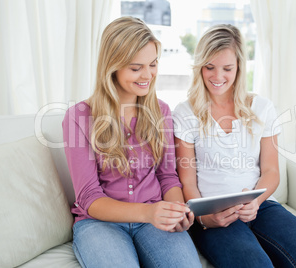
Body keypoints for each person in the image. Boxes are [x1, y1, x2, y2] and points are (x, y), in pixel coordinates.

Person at [173, 24, 296, 268]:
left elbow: (271, 171)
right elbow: (187, 181)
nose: (218, 77)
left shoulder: (261, 107)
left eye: (227, 68)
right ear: (199, 68)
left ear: (239, 67)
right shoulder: (185, 113)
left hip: (259, 208)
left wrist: (256, 203)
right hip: (214, 216)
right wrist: (206, 218)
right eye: (210, 67)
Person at [62, 17, 201, 268]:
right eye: (136, 68)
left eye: (153, 64)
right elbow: (89, 198)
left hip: (154, 219)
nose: (148, 75)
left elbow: (167, 176)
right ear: (112, 66)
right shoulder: (79, 117)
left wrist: (176, 209)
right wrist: (148, 212)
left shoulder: (161, 112)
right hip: (100, 224)